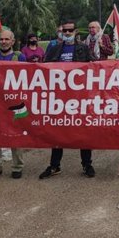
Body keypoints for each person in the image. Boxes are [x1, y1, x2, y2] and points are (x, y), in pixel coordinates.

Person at [39, 20, 95, 179]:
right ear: (61, 31)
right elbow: (44, 67)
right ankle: (54, 166)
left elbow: (96, 66)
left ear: (76, 31)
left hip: (80, 98)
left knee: (83, 130)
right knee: (58, 131)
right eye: (65, 31)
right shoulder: (55, 48)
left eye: (70, 30)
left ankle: (87, 164)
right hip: (59, 98)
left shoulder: (83, 48)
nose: (68, 33)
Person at [0, 29, 26, 180]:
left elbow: (26, 76)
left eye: (7, 39)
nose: (3, 42)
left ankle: (17, 166)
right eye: (1, 39)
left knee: (15, 133)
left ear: (12, 41)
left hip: (14, 101)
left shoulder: (20, 56)